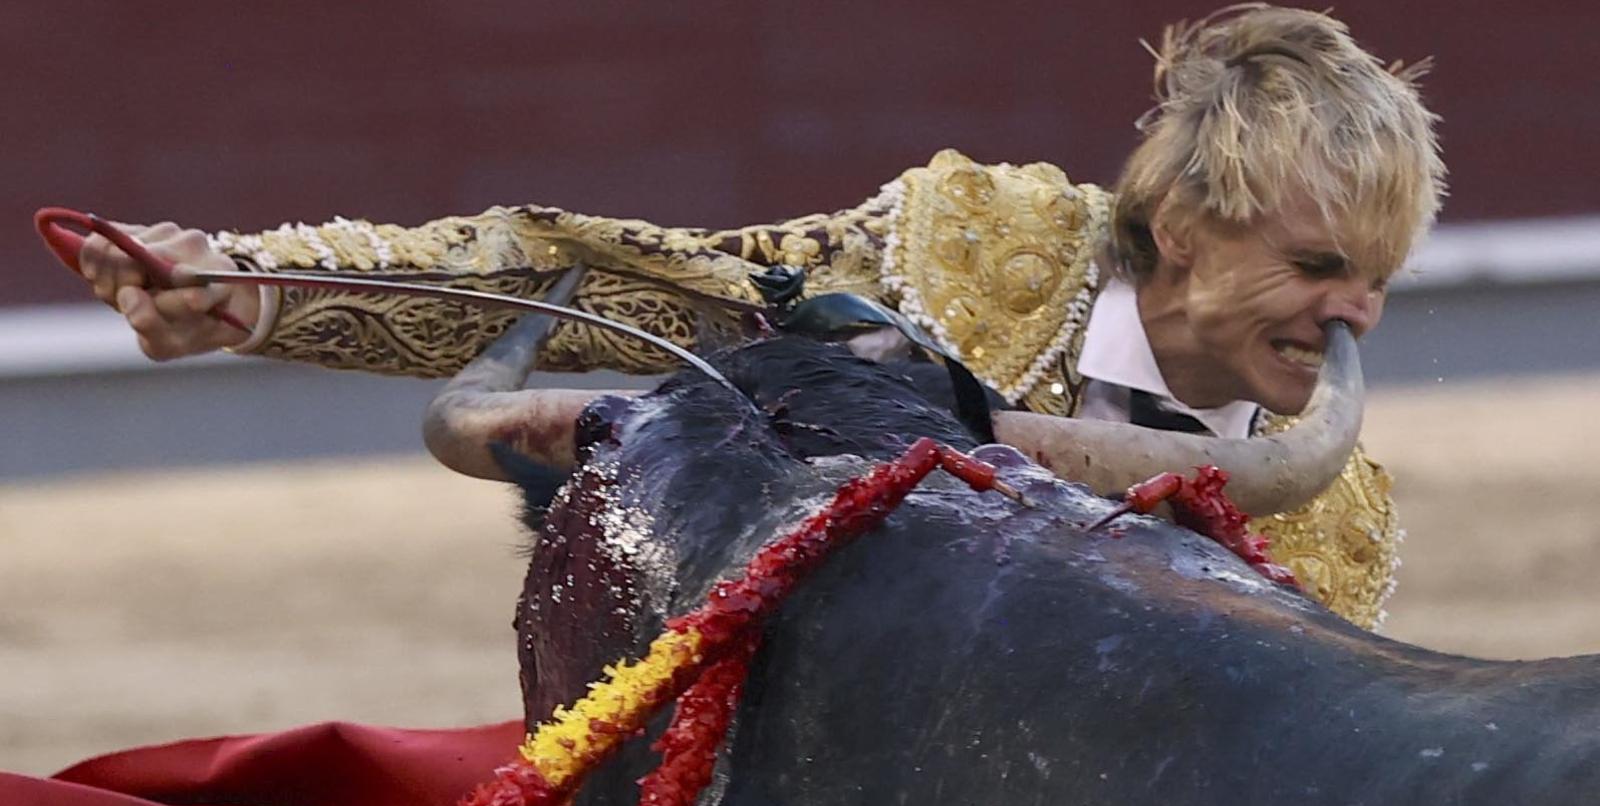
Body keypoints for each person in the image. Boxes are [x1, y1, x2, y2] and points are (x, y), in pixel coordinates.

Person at [74, 4, 1443, 630]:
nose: (1358, 313)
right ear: (1191, 231)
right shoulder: (966, 255)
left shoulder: (1342, 519)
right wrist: (268, 290)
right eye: (1324, 263)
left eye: (1380, 273)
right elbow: (607, 290)